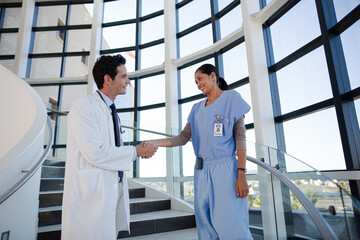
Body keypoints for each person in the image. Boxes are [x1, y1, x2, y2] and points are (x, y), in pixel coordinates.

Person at [150, 64, 253, 239]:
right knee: (205, 225)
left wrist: (241, 174)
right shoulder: (196, 109)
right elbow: (182, 137)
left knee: (230, 223)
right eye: (195, 81)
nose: (198, 84)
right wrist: (154, 143)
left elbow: (240, 138)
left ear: (213, 76)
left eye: (200, 79)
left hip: (225, 170)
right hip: (201, 172)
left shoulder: (232, 99)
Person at [61, 54, 157, 240]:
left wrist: (135, 152)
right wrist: (136, 151)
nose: (128, 81)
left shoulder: (112, 112)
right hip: (90, 197)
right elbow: (95, 153)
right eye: (123, 76)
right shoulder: (83, 107)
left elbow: (110, 150)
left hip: (111, 189)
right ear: (107, 79)